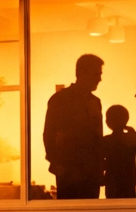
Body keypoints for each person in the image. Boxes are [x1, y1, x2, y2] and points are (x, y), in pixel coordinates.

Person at [43, 54, 104, 199]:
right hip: (70, 171)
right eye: (96, 74)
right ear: (81, 72)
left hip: (89, 171)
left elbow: (97, 137)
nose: (99, 79)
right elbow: (49, 134)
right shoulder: (60, 100)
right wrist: (57, 163)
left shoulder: (94, 101)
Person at [101, 104, 136, 199]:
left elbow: (101, 160)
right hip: (129, 180)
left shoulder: (106, 140)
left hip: (112, 180)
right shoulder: (131, 138)